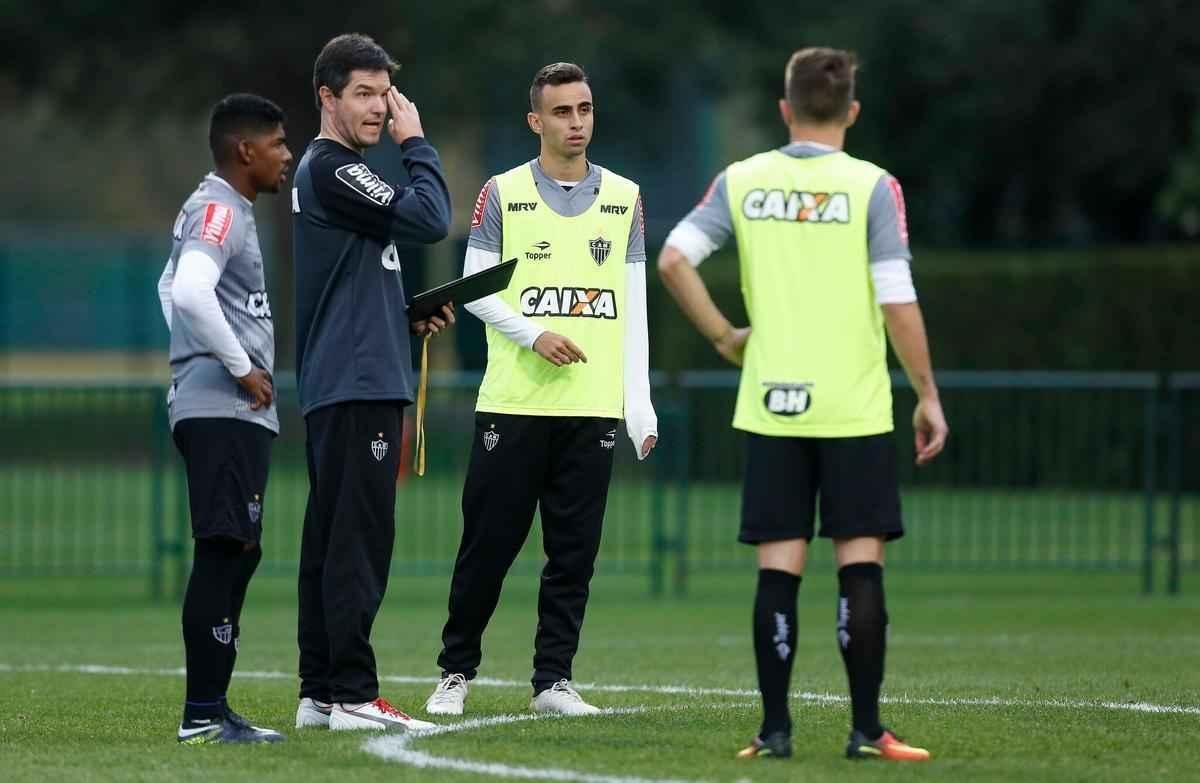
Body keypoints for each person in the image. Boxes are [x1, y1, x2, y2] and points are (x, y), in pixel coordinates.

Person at [657, 47, 949, 762]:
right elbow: (897, 297)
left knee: (778, 568)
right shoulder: (873, 187)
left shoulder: (742, 179)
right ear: (851, 111)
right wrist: (928, 394)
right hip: (853, 405)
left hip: (772, 404)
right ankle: (867, 730)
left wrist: (727, 336)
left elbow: (672, 259)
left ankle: (775, 731)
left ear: (785, 109)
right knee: (860, 563)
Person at [423, 62, 657, 717]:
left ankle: (553, 680)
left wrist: (638, 404)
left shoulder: (626, 197)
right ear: (536, 120)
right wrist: (535, 334)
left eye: (584, 109)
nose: (576, 122)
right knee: (487, 549)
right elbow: (473, 290)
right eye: (561, 111)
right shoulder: (502, 193)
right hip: (515, 404)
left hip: (590, 407)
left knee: (572, 554)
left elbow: (632, 308)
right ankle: (454, 671)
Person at [291, 33, 454, 733]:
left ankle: (321, 692)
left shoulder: (337, 177)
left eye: (386, 96)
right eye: (363, 93)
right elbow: (431, 217)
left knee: (330, 539)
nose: (380, 108)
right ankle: (355, 691)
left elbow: (352, 282)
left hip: (349, 375)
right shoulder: (335, 167)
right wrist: (416, 143)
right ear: (326, 97)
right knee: (360, 538)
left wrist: (403, 315)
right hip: (358, 383)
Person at [156, 93, 292, 744]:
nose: (287, 155)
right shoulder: (218, 208)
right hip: (223, 406)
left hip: (222, 405)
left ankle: (214, 706)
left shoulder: (219, 207)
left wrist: (192, 357)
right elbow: (186, 290)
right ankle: (202, 714)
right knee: (223, 551)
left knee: (238, 549)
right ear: (246, 151)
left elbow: (167, 287)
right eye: (278, 143)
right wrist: (237, 364)